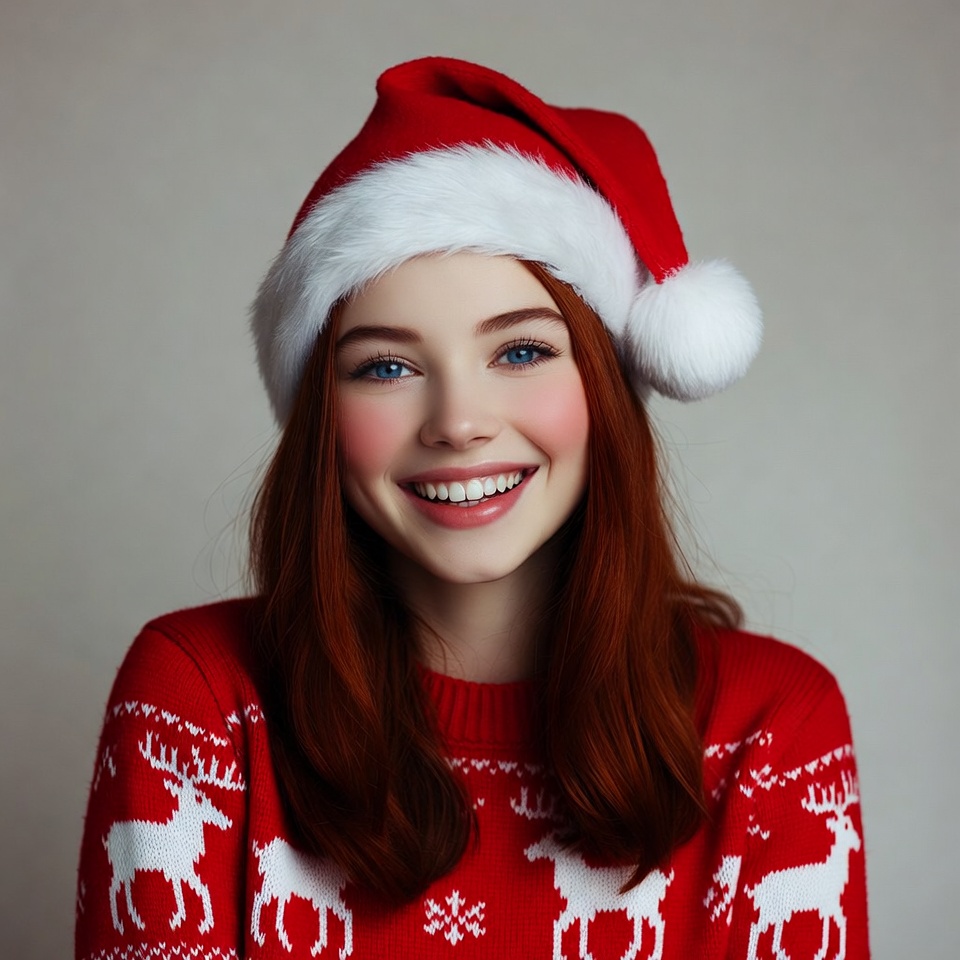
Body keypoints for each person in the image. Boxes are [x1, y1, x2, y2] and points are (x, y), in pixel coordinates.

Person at [75, 57, 869, 959]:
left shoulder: (771, 728)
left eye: (521, 352)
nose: (457, 423)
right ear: (322, 423)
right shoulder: (200, 703)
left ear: (604, 388)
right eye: (386, 366)